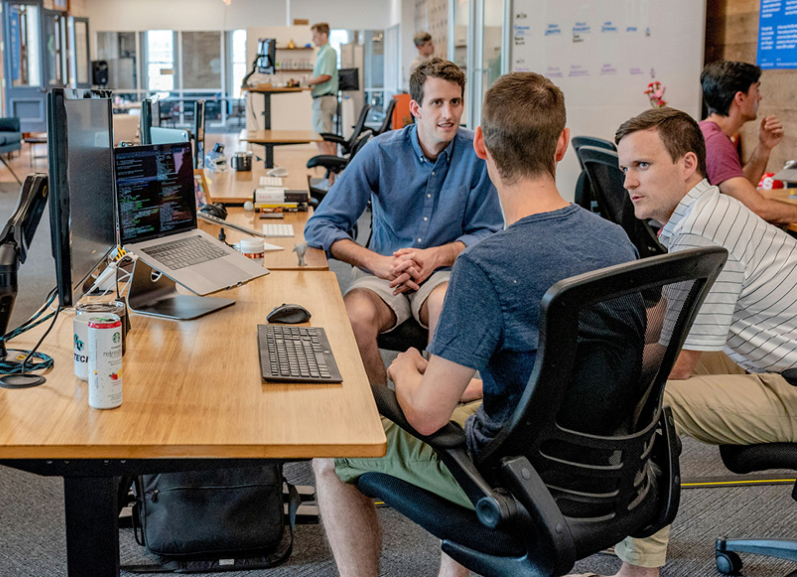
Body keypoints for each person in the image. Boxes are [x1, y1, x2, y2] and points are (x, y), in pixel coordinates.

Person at [313, 71, 640, 577]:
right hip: (606, 469)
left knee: (329, 458)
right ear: (562, 144)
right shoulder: (616, 241)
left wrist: (406, 368)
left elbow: (426, 416)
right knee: (467, 407)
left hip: (511, 479)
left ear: (482, 144)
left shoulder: (484, 267)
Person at [586, 107, 797, 577]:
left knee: (651, 400)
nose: (628, 182)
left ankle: (639, 569)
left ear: (687, 164)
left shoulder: (702, 228)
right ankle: (624, 527)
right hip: (773, 362)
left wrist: (593, 371)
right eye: (625, 168)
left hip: (790, 385)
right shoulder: (702, 213)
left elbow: (677, 362)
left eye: (642, 165)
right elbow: (666, 320)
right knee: (630, 372)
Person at [304, 58, 504, 387]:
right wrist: (375, 262)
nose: (448, 114)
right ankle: (382, 409)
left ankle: (431, 405)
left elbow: (489, 233)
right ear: (416, 108)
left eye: (455, 102)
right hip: (383, 272)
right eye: (437, 103)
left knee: (449, 311)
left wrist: (437, 256)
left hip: (443, 274)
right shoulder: (380, 152)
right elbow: (320, 226)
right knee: (353, 318)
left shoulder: (477, 155)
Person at [698, 61, 796, 224]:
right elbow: (757, 208)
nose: (760, 97)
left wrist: (764, 147)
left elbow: (741, 194)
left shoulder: (707, 131)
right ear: (740, 97)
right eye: (756, 90)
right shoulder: (715, 142)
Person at [309, 22, 339, 156]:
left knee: (323, 139)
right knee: (326, 138)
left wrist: (307, 82)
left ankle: (329, 168)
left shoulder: (328, 52)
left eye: (315, 36)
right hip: (322, 99)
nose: (313, 39)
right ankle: (331, 168)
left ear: (324, 35)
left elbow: (326, 76)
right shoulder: (322, 53)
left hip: (324, 100)